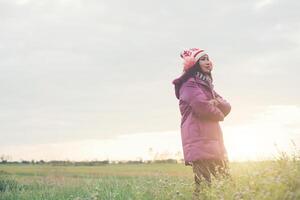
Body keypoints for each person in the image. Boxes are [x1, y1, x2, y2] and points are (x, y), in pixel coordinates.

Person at [172, 48, 231, 198]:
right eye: (203, 59)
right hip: (199, 139)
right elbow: (202, 107)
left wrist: (215, 103)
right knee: (204, 186)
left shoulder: (207, 86)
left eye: (208, 58)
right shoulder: (189, 84)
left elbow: (227, 106)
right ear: (194, 64)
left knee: (226, 184)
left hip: (213, 140)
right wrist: (218, 113)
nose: (208, 62)